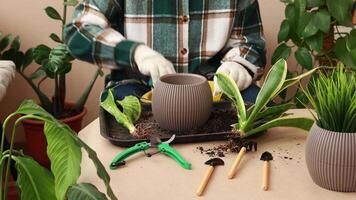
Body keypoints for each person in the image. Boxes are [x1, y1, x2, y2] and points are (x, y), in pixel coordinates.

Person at [64, 0, 266, 103]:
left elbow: (251, 42)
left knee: (257, 110)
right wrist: (137, 53)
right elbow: (79, 30)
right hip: (139, 86)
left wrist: (238, 63)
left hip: (213, 88)